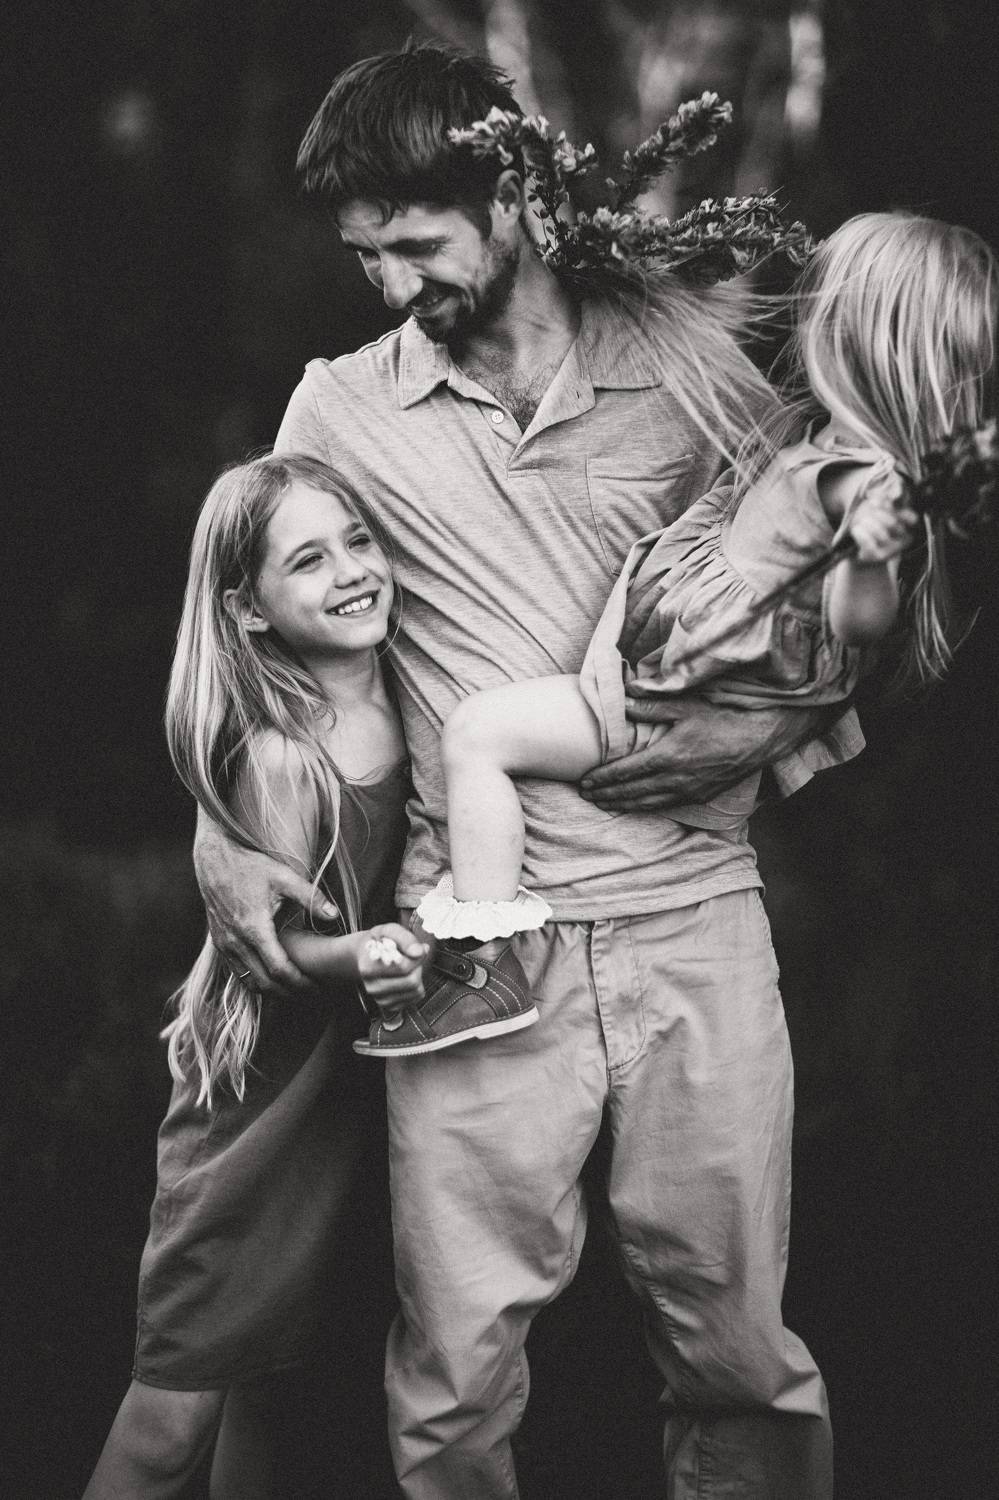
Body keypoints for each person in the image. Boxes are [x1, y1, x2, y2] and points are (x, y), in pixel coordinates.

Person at [195, 45, 862, 1499]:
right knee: (453, 1372)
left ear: (506, 195)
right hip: (470, 944)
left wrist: (761, 736)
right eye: (364, 256)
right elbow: (254, 649)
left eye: (414, 246)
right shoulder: (339, 412)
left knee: (739, 1354)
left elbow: (818, 610)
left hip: (691, 919)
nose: (390, 287)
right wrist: (222, 841)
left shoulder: (691, 365)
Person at [371, 211, 995, 1058]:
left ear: (859, 339)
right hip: (674, 682)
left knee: (478, 735)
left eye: (823, 306)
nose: (804, 319)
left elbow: (860, 622)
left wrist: (868, 558)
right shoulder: (816, 437)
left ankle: (479, 968)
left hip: (673, 703)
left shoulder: (865, 481)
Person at [84, 452, 428, 1499]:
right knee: (172, 1416)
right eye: (307, 561)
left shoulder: (422, 699)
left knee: (276, 1392)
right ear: (249, 610)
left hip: (353, 1109)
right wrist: (363, 954)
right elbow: (275, 954)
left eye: (357, 541)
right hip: (258, 1112)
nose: (351, 571)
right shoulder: (287, 758)